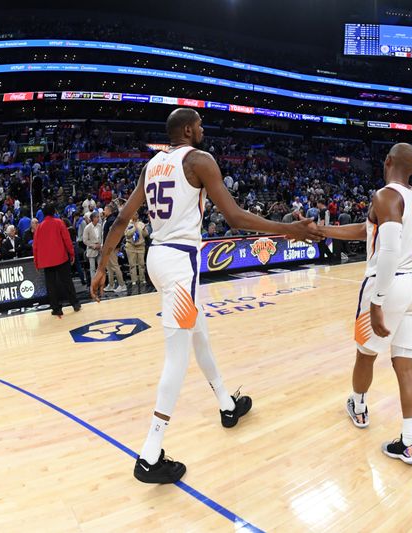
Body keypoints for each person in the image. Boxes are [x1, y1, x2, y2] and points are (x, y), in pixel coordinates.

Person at [90, 108, 323, 484]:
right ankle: (150, 455)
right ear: (186, 129)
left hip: (158, 259)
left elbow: (120, 220)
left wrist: (102, 265)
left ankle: (227, 406)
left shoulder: (151, 166)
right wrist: (287, 229)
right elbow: (234, 217)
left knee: (200, 338)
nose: (203, 128)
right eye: (198, 124)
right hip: (181, 263)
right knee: (177, 359)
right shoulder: (199, 160)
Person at [318, 143, 412, 465]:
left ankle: (359, 405)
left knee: (365, 354)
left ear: (388, 161)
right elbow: (371, 233)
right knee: (405, 365)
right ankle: (409, 443)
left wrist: (377, 301)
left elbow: (388, 252)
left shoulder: (385, 195)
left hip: (389, 284)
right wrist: (324, 230)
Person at [34, 204, 81, 317]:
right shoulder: (59, 222)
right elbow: (67, 239)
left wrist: (36, 263)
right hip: (61, 258)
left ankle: (56, 308)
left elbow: (35, 246)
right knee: (67, 281)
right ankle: (75, 303)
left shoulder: (39, 227)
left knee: (51, 285)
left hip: (47, 261)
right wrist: (71, 253)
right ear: (54, 212)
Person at [102, 204, 127, 293]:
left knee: (115, 265)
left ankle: (122, 285)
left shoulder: (112, 220)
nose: (104, 211)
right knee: (109, 266)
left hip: (112, 247)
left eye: (105, 209)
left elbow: (119, 234)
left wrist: (116, 246)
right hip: (107, 246)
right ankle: (111, 285)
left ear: (110, 211)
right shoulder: (108, 220)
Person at [124, 213, 149, 286]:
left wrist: (144, 230)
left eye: (137, 214)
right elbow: (127, 235)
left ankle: (142, 279)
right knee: (132, 265)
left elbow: (146, 235)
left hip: (140, 246)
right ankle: (134, 280)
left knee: (141, 264)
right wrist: (134, 228)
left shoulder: (141, 224)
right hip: (131, 246)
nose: (135, 215)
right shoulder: (128, 224)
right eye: (134, 214)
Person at [83, 212, 103, 280]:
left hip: (100, 249)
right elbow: (85, 240)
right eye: (97, 217)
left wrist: (101, 245)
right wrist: (94, 246)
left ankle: (100, 282)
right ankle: (94, 284)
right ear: (93, 218)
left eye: (98, 217)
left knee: (100, 268)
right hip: (91, 250)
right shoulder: (87, 227)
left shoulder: (100, 226)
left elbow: (102, 237)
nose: (98, 218)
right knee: (92, 269)